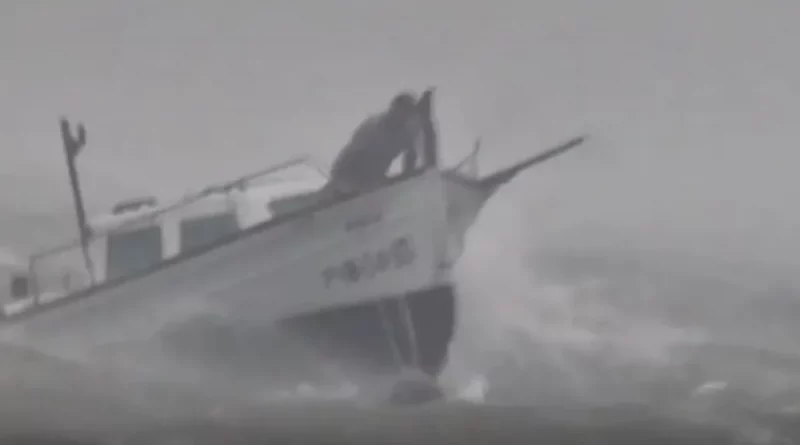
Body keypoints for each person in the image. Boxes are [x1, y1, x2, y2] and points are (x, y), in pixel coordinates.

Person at [328, 91, 426, 194]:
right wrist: (342, 183)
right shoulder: (372, 127)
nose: (403, 116)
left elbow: (411, 154)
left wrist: (407, 177)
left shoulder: (410, 130)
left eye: (408, 113)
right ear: (392, 109)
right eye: (401, 111)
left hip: (376, 175)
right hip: (349, 169)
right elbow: (352, 156)